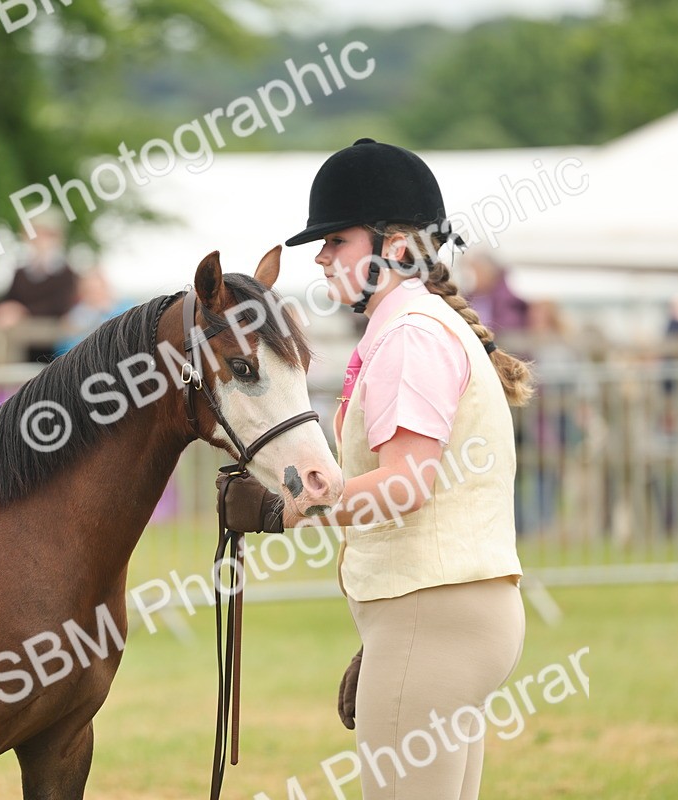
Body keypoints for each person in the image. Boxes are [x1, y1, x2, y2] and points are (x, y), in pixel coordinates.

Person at [220, 138, 533, 799]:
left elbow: (406, 484)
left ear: (393, 246)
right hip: (445, 612)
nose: (322, 257)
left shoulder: (411, 336)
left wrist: (287, 509)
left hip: (433, 612)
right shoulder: (421, 325)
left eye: (336, 240)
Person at [0, 211, 80, 362]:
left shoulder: (66, 273)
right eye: (35, 234)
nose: (39, 240)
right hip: (21, 348)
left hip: (52, 349)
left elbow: (61, 306)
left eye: (45, 234)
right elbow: (6, 299)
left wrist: (22, 312)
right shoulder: (21, 273)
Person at [463, 247, 529, 334]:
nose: (470, 276)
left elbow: (508, 330)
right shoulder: (466, 298)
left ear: (490, 272)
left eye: (476, 271)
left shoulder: (508, 303)